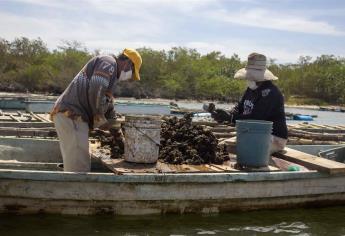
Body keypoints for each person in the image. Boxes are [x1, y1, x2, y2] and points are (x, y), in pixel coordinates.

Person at [50, 48, 142, 172]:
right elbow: (96, 88)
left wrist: (120, 140)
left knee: (78, 162)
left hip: (73, 117)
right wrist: (99, 117)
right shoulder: (108, 63)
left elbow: (109, 108)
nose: (129, 76)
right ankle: (76, 191)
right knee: (79, 167)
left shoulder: (112, 78)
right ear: (128, 63)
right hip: (72, 114)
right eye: (132, 71)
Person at [210, 53, 287, 153]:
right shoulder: (250, 89)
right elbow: (239, 108)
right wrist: (224, 115)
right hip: (251, 134)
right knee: (220, 147)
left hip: (273, 138)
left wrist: (231, 118)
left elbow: (257, 118)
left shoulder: (270, 93)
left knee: (242, 151)